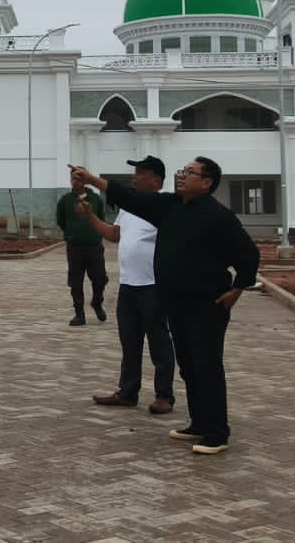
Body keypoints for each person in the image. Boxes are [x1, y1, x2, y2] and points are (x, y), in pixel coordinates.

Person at [68, 157, 259, 455]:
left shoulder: (218, 216)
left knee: (207, 366)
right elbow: (129, 197)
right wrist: (92, 180)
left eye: (189, 173)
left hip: (207, 303)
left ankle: (217, 433)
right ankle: (198, 423)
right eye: (182, 172)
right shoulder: (169, 207)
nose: (181, 177)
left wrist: (238, 287)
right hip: (177, 301)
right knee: (189, 366)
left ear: (207, 182)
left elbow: (248, 254)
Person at [76, 156, 176, 414]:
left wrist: (91, 179)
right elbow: (114, 235)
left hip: (154, 285)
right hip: (129, 285)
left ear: (156, 179)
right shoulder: (129, 207)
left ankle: (164, 396)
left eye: (140, 172)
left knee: (159, 342)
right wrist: (90, 217)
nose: (134, 176)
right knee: (129, 342)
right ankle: (128, 392)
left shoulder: (165, 204)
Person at [55, 179, 108, 326]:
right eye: (72, 179)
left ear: (84, 180)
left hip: (94, 246)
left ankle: (97, 303)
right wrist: (71, 233)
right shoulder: (65, 200)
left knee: (100, 278)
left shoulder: (96, 199)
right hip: (74, 248)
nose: (75, 182)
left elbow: (101, 219)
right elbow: (60, 220)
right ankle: (79, 314)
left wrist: (95, 234)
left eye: (79, 179)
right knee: (75, 281)